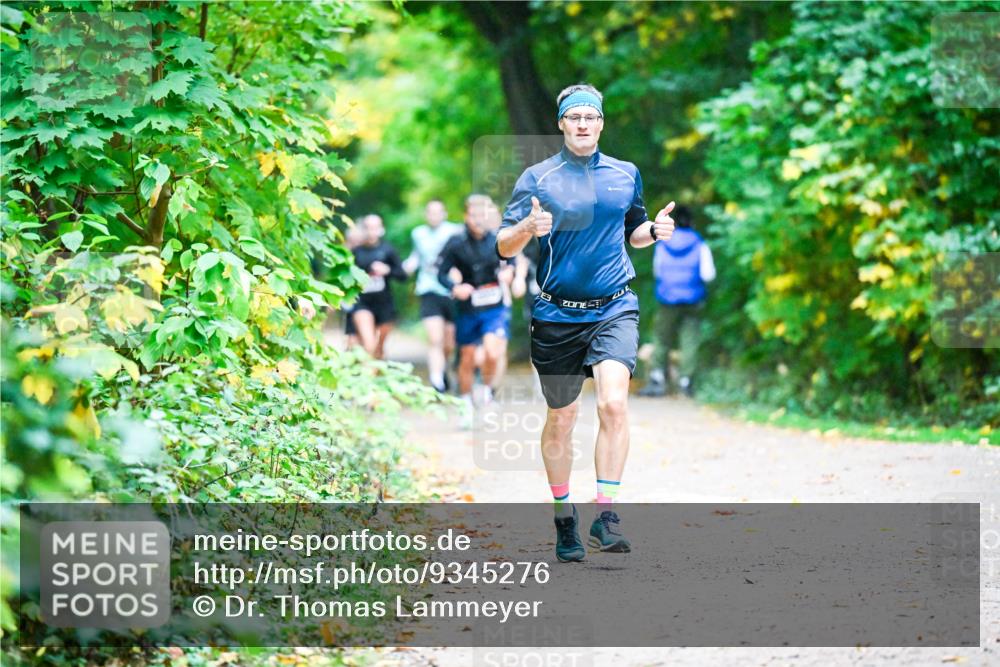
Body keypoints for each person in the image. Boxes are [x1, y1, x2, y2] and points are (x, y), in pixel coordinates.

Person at [496, 83, 676, 562]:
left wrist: (655, 231)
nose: (582, 124)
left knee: (614, 404)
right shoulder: (538, 178)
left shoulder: (625, 173)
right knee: (563, 417)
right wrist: (527, 228)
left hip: (614, 306)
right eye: (574, 116)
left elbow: (633, 232)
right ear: (561, 123)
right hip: (556, 314)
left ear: (601, 123)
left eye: (590, 117)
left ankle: (606, 514)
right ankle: (564, 516)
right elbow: (504, 245)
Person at [437, 194, 513, 413]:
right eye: (473, 215)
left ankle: (487, 391)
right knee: (468, 357)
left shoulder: (498, 239)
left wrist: (510, 272)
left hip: (494, 306)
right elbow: (440, 273)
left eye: (482, 215)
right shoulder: (456, 242)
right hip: (468, 307)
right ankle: (466, 401)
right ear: (465, 216)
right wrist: (455, 287)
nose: (478, 220)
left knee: (492, 352)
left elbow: (513, 261)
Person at [639, 205, 716, 398]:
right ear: (692, 222)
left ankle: (657, 378)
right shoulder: (700, 243)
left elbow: (657, 272)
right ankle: (685, 382)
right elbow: (708, 274)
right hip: (693, 300)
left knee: (661, 337)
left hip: (667, 298)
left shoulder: (663, 243)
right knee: (690, 339)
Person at [404, 200, 463, 392]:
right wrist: (407, 266)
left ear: (444, 214)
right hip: (428, 288)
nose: (434, 216)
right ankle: (436, 381)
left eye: (438, 212)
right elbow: (416, 256)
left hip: (450, 290)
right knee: (434, 339)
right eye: (430, 212)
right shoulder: (418, 233)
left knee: (449, 343)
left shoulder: (455, 231)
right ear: (426, 214)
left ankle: (444, 368)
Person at [349, 214, 407, 359]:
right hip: (362, 303)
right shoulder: (356, 252)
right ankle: (367, 370)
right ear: (363, 230)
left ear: (381, 229)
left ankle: (376, 370)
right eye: (368, 228)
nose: (371, 232)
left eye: (375, 228)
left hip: (384, 304)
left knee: (379, 348)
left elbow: (402, 276)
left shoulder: (388, 250)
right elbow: (346, 279)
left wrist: (387, 270)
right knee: (369, 344)